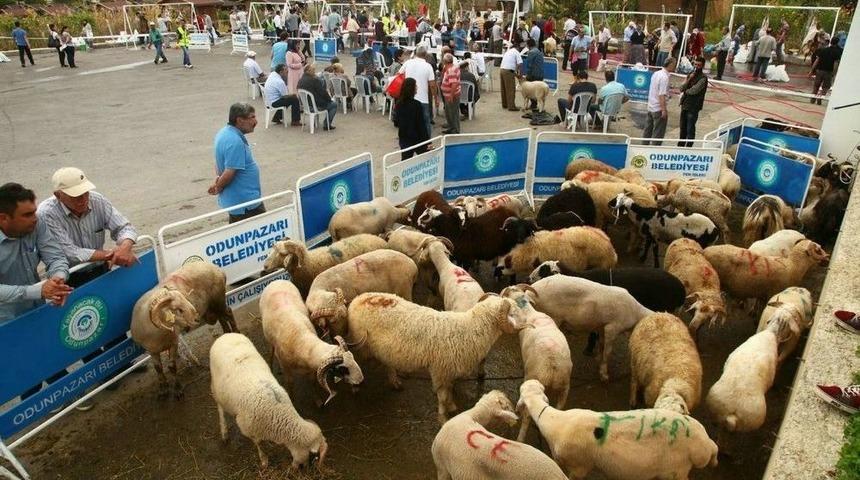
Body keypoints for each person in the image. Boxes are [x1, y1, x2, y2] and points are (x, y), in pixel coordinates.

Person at [37, 168, 137, 282]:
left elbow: (124, 227)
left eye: (85, 193)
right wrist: (112, 255)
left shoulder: (97, 200)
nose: (83, 199)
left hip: (100, 269)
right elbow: (70, 252)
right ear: (58, 195)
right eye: (75, 196)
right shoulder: (46, 213)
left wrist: (125, 247)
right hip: (67, 277)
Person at [0, 182, 71, 322]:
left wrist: (58, 281)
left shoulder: (37, 224)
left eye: (34, 211)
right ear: (3, 218)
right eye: (27, 215)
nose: (35, 218)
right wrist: (37, 291)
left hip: (36, 311)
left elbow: (55, 257)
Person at [209, 103, 264, 223]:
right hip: (246, 204)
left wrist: (218, 181)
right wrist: (219, 186)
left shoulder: (224, 133)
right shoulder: (235, 141)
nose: (256, 121)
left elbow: (219, 163)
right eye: (252, 117)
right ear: (239, 120)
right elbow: (229, 171)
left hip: (238, 201)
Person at [400, 45, 438, 138]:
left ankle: (411, 140)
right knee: (425, 121)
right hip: (423, 99)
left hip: (409, 97)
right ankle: (427, 141)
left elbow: (399, 74)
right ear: (425, 55)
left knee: (410, 120)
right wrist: (435, 98)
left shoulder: (408, 63)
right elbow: (432, 85)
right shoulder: (428, 66)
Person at [642, 56, 676, 145]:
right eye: (674, 65)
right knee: (658, 133)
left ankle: (643, 147)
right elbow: (661, 95)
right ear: (671, 64)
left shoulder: (656, 73)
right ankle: (654, 151)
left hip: (651, 106)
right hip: (658, 108)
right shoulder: (664, 77)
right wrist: (664, 110)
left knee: (647, 131)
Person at [297, 63, 338, 131]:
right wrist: (329, 100)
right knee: (333, 104)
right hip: (315, 105)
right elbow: (323, 92)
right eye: (313, 70)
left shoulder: (300, 80)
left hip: (306, 105)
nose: (314, 72)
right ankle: (326, 124)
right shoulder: (314, 80)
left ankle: (316, 122)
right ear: (308, 71)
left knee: (327, 102)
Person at [678, 57, 708, 147]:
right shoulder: (690, 74)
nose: (696, 67)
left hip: (694, 106)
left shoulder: (703, 78)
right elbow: (681, 88)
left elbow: (694, 90)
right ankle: (680, 145)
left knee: (690, 128)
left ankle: (689, 147)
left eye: (699, 65)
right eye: (695, 64)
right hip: (685, 104)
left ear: (702, 66)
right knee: (683, 127)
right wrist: (688, 80)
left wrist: (685, 91)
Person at [809, 37, 843, 105]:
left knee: (816, 85)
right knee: (825, 87)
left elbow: (817, 61)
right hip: (828, 72)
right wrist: (834, 73)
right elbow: (835, 64)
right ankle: (820, 98)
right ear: (837, 43)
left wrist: (812, 70)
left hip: (819, 70)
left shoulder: (823, 50)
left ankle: (812, 99)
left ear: (830, 42)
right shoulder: (837, 53)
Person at [440, 53, 461, 134]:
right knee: (449, 113)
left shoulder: (451, 70)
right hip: (450, 94)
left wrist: (451, 96)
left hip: (451, 95)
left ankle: (455, 129)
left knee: (452, 113)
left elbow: (454, 84)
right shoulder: (453, 68)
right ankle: (451, 127)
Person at [500, 41, 523, 111]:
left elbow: (510, 67)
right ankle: (511, 106)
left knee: (503, 88)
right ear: (518, 48)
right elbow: (520, 64)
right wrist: (519, 73)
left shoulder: (508, 51)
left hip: (502, 70)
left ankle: (505, 104)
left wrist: (516, 74)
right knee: (510, 89)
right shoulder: (516, 52)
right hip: (508, 71)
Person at [524, 38, 543, 111]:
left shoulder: (531, 52)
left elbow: (529, 65)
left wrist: (527, 75)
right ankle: (536, 105)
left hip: (534, 75)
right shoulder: (539, 51)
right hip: (540, 74)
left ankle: (533, 104)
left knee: (530, 90)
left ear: (528, 45)